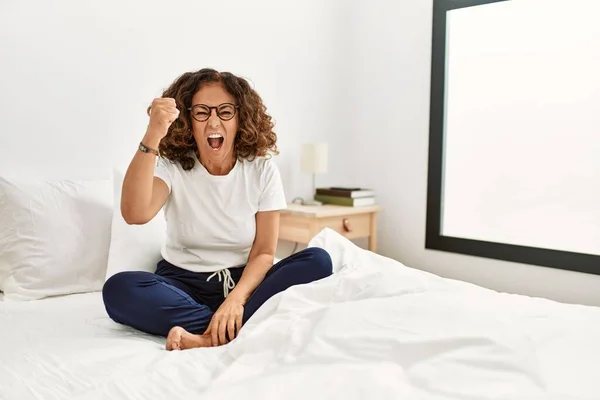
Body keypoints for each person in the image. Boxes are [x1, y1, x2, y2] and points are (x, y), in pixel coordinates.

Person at [102, 68, 333, 351]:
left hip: (245, 283)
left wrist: (235, 300)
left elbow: (263, 253)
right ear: (189, 119)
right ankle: (232, 329)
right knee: (119, 290)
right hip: (182, 284)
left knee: (318, 261)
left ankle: (209, 335)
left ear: (240, 118)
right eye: (202, 112)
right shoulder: (173, 167)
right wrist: (153, 134)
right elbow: (134, 213)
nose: (213, 120)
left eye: (224, 111)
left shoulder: (261, 169)